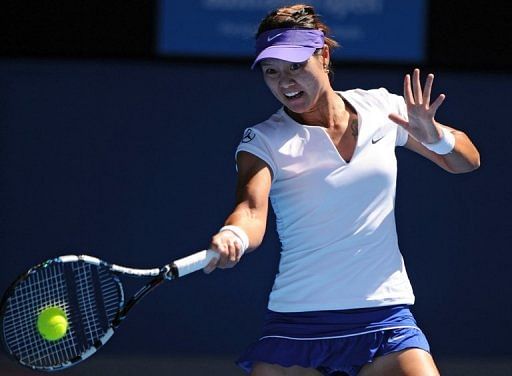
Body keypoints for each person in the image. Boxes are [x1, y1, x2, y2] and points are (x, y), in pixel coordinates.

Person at [204, 4, 480, 376]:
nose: (285, 82)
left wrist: (435, 136)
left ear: (324, 56)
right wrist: (233, 233)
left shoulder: (384, 108)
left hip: (386, 319)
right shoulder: (264, 140)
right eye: (272, 72)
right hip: (298, 326)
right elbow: (251, 211)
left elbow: (466, 161)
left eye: (296, 67)